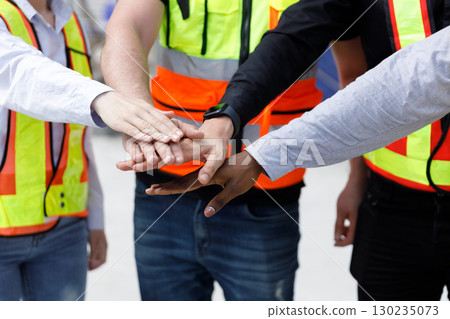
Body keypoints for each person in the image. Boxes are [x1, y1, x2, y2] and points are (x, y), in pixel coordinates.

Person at [147, 25, 450, 300]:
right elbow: (414, 81)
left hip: (269, 201)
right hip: (390, 201)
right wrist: (240, 133)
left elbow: (412, 81)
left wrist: (258, 156)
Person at [101, 0, 339, 301]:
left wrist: (358, 179)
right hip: (163, 192)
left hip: (266, 196)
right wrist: (138, 113)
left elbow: (354, 70)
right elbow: (125, 25)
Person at [0, 0, 197, 301]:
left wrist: (94, 218)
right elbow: (19, 71)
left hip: (65, 226)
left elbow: (75, 137)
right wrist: (102, 99)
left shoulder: (70, 19)